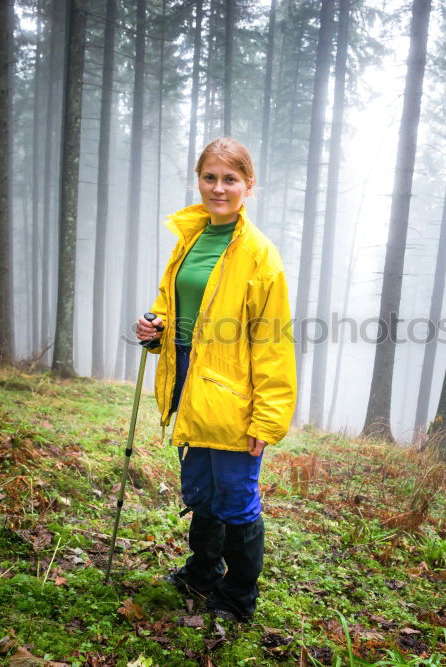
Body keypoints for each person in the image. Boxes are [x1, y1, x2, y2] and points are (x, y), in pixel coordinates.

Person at [135, 137, 296, 622]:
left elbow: (273, 344)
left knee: (236, 497)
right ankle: (202, 572)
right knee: (201, 490)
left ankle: (238, 597)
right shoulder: (188, 239)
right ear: (199, 180)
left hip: (234, 397)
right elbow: (179, 309)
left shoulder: (260, 256)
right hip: (187, 382)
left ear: (249, 186)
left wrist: (266, 420)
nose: (218, 188)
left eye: (230, 179)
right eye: (210, 177)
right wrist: (155, 328)